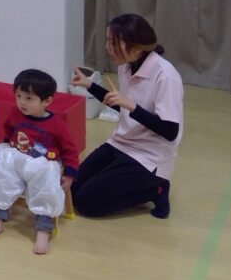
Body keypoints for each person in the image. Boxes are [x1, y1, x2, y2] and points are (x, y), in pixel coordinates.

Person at [70, 14, 183, 219]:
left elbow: (170, 131)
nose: (108, 48)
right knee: (71, 188)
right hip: (121, 143)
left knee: (86, 204)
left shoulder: (165, 75)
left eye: (113, 43)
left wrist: (131, 105)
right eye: (107, 41)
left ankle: (156, 189)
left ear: (137, 47)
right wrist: (90, 85)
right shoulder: (126, 65)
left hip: (150, 156)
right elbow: (122, 106)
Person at [0, 69, 79, 255]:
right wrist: (6, 146)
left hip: (42, 162)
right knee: (0, 170)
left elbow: (70, 150)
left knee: (47, 183)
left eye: (29, 98)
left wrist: (70, 174)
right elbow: (8, 130)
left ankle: (43, 229)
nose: (22, 102)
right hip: (17, 157)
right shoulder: (15, 113)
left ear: (47, 101)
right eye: (18, 96)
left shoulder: (56, 123)